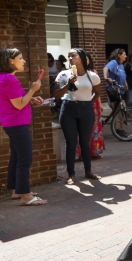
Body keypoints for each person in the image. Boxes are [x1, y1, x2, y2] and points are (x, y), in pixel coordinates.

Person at [0, 48, 47, 206]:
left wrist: (31, 98)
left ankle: (16, 190)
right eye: (20, 58)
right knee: (25, 159)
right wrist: (32, 89)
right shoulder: (9, 80)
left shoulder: (2, 78)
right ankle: (26, 196)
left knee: (16, 157)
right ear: (11, 61)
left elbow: (15, 100)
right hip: (17, 123)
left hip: (11, 122)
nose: (24, 61)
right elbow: (18, 105)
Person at [54, 48, 102, 185]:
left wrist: (87, 104)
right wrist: (68, 83)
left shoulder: (92, 76)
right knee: (70, 143)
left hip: (86, 109)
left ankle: (88, 171)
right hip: (68, 108)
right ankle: (71, 174)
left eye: (73, 56)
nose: (70, 58)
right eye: (68, 56)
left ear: (81, 57)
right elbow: (56, 95)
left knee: (85, 143)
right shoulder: (63, 74)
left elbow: (98, 93)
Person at [76, 53, 104, 158]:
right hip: (82, 102)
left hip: (93, 102)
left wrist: (100, 104)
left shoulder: (93, 73)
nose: (85, 61)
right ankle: (82, 153)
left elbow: (97, 91)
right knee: (82, 128)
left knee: (95, 127)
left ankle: (95, 151)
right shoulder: (74, 73)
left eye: (87, 59)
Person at [103, 48, 128, 137]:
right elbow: (106, 68)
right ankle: (118, 129)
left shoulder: (121, 65)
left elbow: (122, 76)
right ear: (119, 55)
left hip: (120, 89)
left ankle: (120, 129)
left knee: (121, 109)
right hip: (113, 89)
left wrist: (125, 83)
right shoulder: (113, 62)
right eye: (124, 54)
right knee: (118, 109)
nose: (126, 56)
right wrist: (106, 78)